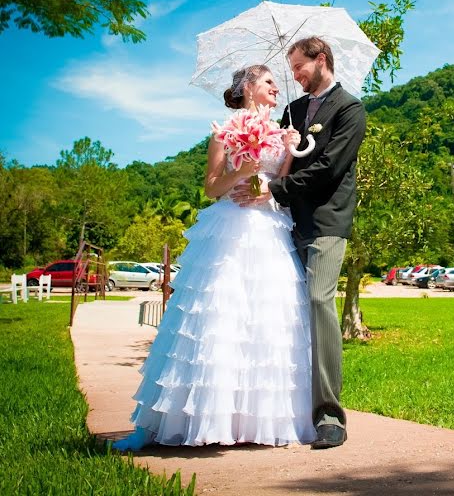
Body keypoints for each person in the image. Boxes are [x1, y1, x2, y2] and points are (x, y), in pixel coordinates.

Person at [111, 64, 316, 450]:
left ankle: (257, 420)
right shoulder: (224, 132)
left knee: (268, 316)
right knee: (219, 311)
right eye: (269, 82)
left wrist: (278, 167)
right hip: (231, 225)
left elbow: (283, 182)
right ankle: (198, 417)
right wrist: (247, 170)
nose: (276, 88)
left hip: (270, 228)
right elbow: (211, 187)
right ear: (248, 88)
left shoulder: (283, 132)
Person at [232, 36, 366, 449]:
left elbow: (328, 169)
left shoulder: (350, 110)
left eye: (298, 68)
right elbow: (272, 162)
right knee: (283, 311)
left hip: (327, 222)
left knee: (319, 301)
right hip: (285, 223)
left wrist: (275, 192)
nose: (294, 76)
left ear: (320, 59)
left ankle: (330, 417)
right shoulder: (289, 111)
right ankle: (282, 408)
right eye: (289, 71)